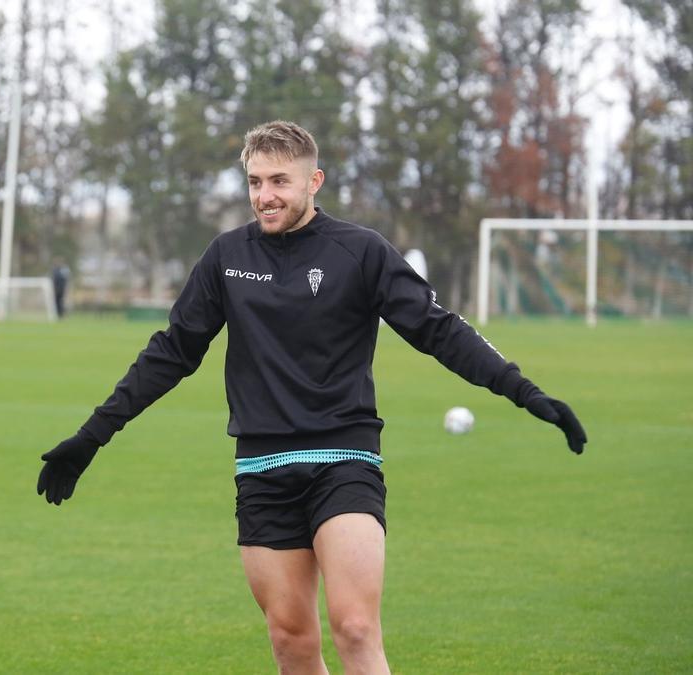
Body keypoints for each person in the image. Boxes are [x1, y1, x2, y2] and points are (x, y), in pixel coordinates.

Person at [35, 120, 587, 673]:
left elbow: (438, 330)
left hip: (343, 459)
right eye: (254, 182)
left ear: (313, 180)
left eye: (279, 181)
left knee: (354, 627)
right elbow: (171, 352)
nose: (265, 196)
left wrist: (524, 391)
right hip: (262, 469)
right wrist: (90, 438)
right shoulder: (226, 256)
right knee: (291, 643)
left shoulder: (360, 251)